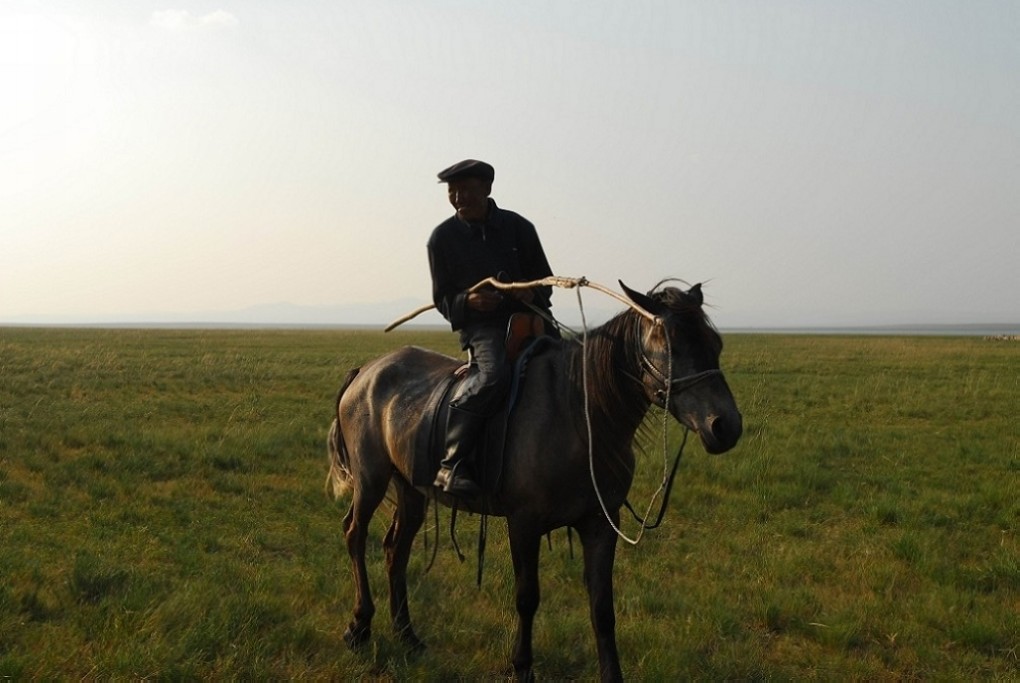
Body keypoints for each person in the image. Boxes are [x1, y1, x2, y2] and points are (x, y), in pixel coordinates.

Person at [427, 159, 557, 497]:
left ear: (487, 188)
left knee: (572, 367)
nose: (459, 198)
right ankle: (452, 464)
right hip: (484, 330)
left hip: (531, 321)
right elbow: (442, 298)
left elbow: (545, 281)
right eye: (453, 192)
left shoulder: (519, 228)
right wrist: (468, 302)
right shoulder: (442, 239)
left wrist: (532, 290)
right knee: (494, 376)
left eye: (467, 190)